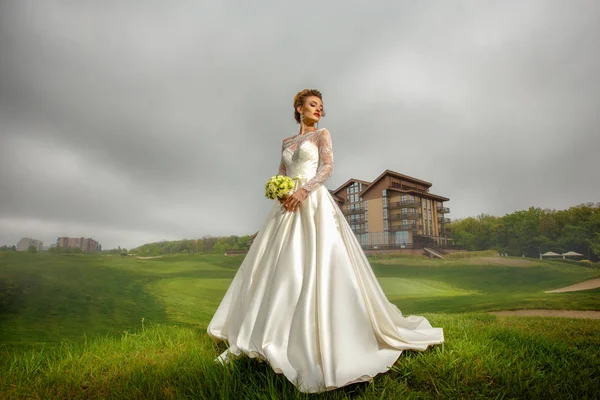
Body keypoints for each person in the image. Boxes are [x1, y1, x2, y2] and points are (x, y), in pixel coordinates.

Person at [207, 89, 443, 393]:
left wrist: (304, 191)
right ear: (299, 108)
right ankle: (268, 331)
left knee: (316, 262)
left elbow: (327, 167)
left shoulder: (322, 136)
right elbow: (281, 171)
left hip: (313, 201)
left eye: (321, 107)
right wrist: (281, 191)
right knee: (277, 266)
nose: (319, 110)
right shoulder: (286, 142)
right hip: (286, 203)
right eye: (313, 105)